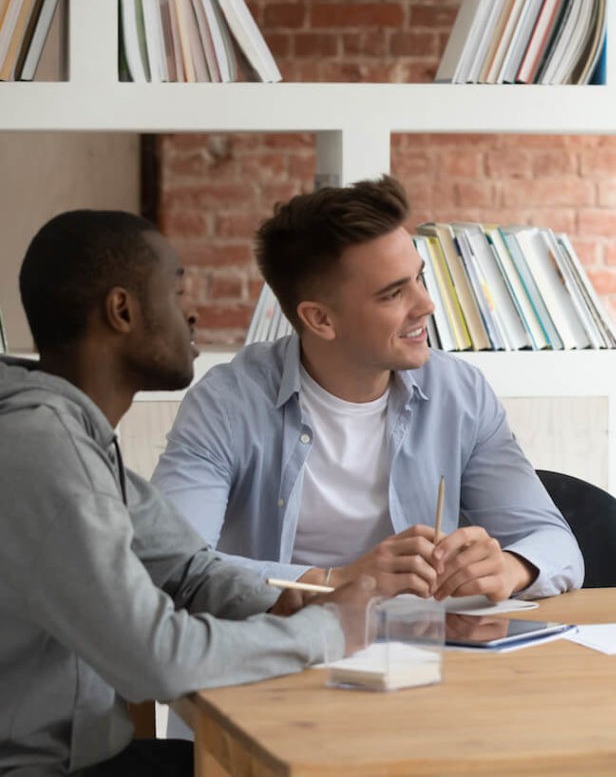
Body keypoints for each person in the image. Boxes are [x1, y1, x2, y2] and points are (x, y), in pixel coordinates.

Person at [0, 211, 374, 775]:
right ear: (121, 311)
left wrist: (276, 601)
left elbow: (184, 568)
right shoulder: (43, 450)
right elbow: (157, 660)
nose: (192, 313)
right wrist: (325, 630)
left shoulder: (72, 435)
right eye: (176, 293)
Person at [154, 176, 582, 602]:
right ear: (321, 319)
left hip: (428, 650)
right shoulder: (227, 403)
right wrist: (338, 581)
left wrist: (511, 567)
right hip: (281, 647)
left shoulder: (460, 391)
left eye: (419, 277)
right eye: (394, 294)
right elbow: (175, 564)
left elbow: (552, 540)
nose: (427, 305)